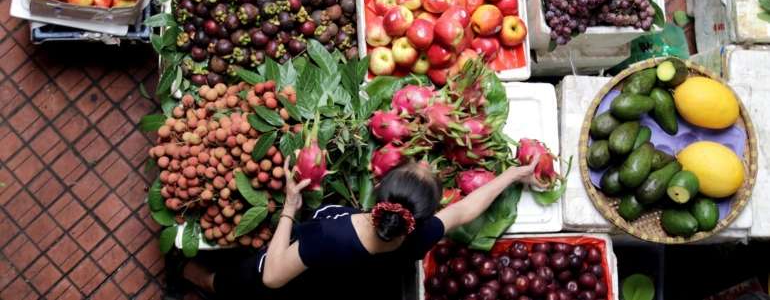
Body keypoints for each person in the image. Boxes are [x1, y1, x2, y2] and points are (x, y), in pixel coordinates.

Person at [182, 155, 544, 300]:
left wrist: (289, 211)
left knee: (238, 281)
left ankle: (202, 281)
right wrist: (510, 175)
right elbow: (464, 210)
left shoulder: (329, 236)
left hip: (296, 274)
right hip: (347, 282)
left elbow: (274, 276)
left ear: (379, 186)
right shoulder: (421, 234)